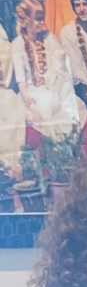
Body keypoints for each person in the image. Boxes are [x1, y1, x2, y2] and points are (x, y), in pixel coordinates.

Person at [12, 0, 82, 138]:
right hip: (32, 95)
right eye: (37, 19)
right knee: (41, 112)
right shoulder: (17, 45)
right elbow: (21, 82)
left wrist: (56, 97)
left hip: (55, 89)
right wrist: (31, 107)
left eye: (42, 18)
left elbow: (62, 71)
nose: (42, 23)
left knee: (70, 109)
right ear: (26, 20)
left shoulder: (49, 38)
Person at [0, 21, 29, 176]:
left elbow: (5, 78)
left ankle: (11, 166)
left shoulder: (3, 44)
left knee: (10, 103)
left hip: (3, 92)